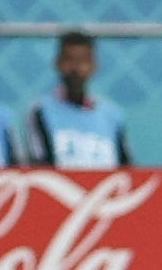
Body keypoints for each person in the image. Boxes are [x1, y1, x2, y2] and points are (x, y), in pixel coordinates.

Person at [25, 31, 129, 169]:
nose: (76, 68)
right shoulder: (41, 111)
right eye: (69, 60)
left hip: (103, 189)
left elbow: (126, 169)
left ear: (93, 66)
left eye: (83, 61)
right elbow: (40, 167)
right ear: (58, 63)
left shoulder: (112, 116)